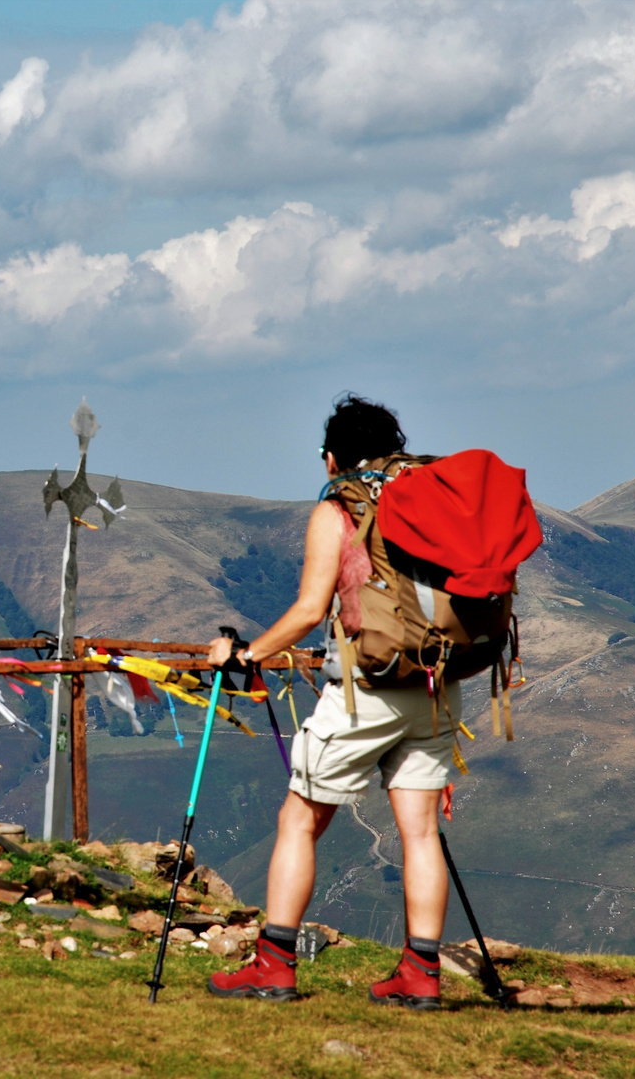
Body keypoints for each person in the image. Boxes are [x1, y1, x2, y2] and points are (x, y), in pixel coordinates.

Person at [205, 394, 453, 1010]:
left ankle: (274, 964)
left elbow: (311, 610)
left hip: (364, 689)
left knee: (299, 820)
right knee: (419, 833)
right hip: (437, 683)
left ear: (332, 458)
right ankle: (420, 976)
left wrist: (248, 655)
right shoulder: (431, 499)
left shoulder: (338, 510)